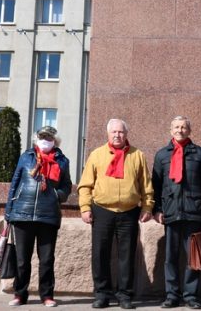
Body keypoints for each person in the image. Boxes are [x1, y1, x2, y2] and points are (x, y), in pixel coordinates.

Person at [78, 118, 154, 309]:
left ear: (126, 134)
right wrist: (85, 208)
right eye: (114, 132)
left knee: (127, 255)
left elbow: (146, 185)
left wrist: (147, 207)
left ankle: (125, 295)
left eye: (121, 132)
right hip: (102, 211)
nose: (117, 135)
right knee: (100, 254)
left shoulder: (137, 155)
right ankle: (102, 294)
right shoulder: (97, 155)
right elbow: (85, 185)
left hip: (129, 212)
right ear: (108, 134)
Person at [4, 125, 73, 307]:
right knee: (22, 259)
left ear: (55, 141)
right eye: (42, 137)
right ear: (36, 139)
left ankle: (47, 295)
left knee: (47, 259)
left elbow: (67, 186)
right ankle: (20, 294)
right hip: (22, 213)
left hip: (48, 215)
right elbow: (15, 182)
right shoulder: (26, 157)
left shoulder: (62, 161)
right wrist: (9, 210)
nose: (45, 141)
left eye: (49, 138)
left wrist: (58, 195)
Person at [152, 116, 201, 309]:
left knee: (193, 257)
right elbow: (156, 185)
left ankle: (190, 295)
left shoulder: (200, 154)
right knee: (170, 257)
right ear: (171, 130)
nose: (180, 130)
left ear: (189, 130)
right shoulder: (162, 155)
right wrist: (157, 209)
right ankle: (171, 295)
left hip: (194, 213)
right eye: (176, 127)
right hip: (171, 213)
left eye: (184, 127)